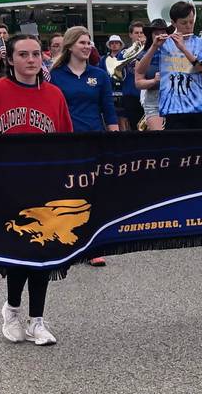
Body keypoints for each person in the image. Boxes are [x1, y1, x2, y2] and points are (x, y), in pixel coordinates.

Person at [0, 34, 72, 345]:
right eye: (23, 54)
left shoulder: (55, 95)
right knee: (17, 250)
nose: (31, 60)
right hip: (5, 184)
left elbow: (66, 140)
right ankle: (12, 310)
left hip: (44, 183)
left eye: (36, 54)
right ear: (10, 60)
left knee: (43, 250)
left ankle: (38, 321)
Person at [50, 26, 118, 266]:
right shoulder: (53, 75)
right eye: (82, 42)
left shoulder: (99, 75)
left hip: (93, 138)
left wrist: (115, 136)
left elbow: (109, 109)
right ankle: (64, 242)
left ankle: (92, 246)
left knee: (92, 192)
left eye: (89, 42)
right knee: (66, 192)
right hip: (63, 140)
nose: (88, 46)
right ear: (70, 46)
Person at [136, 1, 202, 130]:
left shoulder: (201, 43)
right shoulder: (165, 43)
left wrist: (183, 48)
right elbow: (140, 70)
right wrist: (154, 47)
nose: (189, 26)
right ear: (173, 23)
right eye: (184, 23)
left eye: (191, 22)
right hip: (172, 109)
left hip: (198, 108)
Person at [135, 19, 170, 131]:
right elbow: (138, 82)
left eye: (163, 33)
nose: (160, 36)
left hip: (173, 98)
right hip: (154, 99)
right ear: (151, 35)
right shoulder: (143, 55)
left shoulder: (174, 51)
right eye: (156, 33)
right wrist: (154, 81)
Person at [119, 21, 146, 131]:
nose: (139, 35)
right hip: (131, 94)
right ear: (130, 35)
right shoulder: (124, 53)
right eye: (136, 33)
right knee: (135, 127)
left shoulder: (149, 51)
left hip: (146, 94)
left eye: (141, 32)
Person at [100, 34, 127, 130]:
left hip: (123, 91)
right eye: (112, 43)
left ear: (120, 45)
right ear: (109, 45)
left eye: (116, 43)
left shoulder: (125, 57)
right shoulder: (103, 59)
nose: (114, 45)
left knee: (123, 120)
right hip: (110, 91)